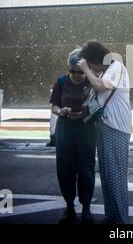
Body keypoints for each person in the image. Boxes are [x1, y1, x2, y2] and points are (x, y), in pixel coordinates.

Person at [77, 41, 132, 224]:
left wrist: (86, 69)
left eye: (90, 63)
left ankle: (121, 220)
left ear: (95, 59)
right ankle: (112, 217)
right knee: (108, 175)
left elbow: (101, 87)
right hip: (105, 125)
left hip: (116, 126)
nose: (90, 67)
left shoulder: (117, 66)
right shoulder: (108, 70)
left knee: (115, 174)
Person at [50, 48, 96, 224]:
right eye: (73, 71)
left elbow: (98, 105)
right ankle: (69, 206)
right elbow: (53, 106)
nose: (76, 75)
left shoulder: (91, 82)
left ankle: (86, 208)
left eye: (80, 72)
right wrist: (60, 111)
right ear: (68, 69)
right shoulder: (61, 82)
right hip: (65, 129)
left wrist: (83, 114)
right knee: (65, 169)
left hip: (86, 129)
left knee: (86, 169)